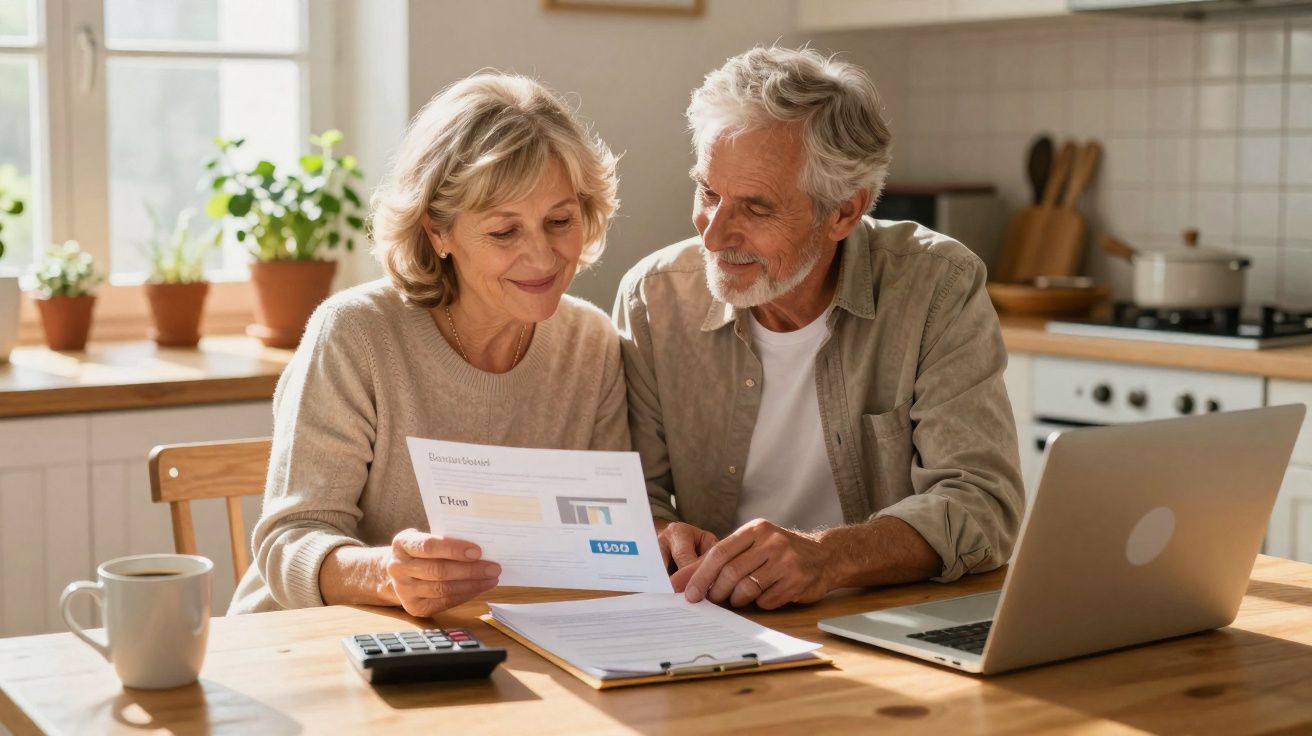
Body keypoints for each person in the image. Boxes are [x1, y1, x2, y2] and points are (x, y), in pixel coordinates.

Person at [613, 46, 1023, 611]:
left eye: (755, 209)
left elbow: (982, 504)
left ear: (843, 214)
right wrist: (662, 533)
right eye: (708, 192)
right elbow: (631, 497)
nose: (712, 235)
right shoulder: (654, 298)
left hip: (883, 620)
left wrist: (828, 556)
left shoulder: (937, 288)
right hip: (712, 620)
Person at [230, 72, 626, 617]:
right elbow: (290, 540)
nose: (542, 257)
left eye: (559, 221)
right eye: (504, 232)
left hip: (488, 644)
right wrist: (384, 575)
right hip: (307, 645)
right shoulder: (355, 334)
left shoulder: (592, 342)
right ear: (438, 230)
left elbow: (610, 529)